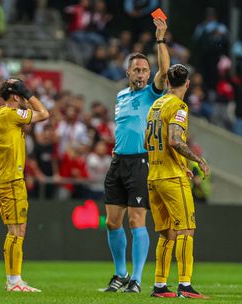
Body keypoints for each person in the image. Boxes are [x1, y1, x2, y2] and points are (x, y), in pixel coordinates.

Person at [100, 17, 169, 293]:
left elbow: (165, 70)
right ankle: (120, 274)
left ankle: (137, 279)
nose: (141, 74)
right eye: (136, 70)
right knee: (113, 221)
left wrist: (160, 39)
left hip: (141, 162)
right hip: (118, 162)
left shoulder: (152, 94)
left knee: (135, 220)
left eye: (144, 70)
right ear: (128, 73)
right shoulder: (120, 96)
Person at [145, 64, 210, 298]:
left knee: (167, 233)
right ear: (187, 84)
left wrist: (181, 164)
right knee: (186, 229)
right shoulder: (178, 106)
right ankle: (185, 285)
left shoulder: (155, 105)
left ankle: (160, 286)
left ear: (167, 82)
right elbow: (174, 140)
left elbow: (148, 142)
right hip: (171, 178)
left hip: (153, 176)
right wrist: (197, 160)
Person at [0, 78, 49, 292]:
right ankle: (13, 281)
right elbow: (44, 113)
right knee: (15, 230)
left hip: (4, 176)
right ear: (15, 96)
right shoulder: (9, 114)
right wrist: (29, 94)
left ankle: (15, 279)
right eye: (22, 96)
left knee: (18, 228)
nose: (26, 101)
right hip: (10, 179)